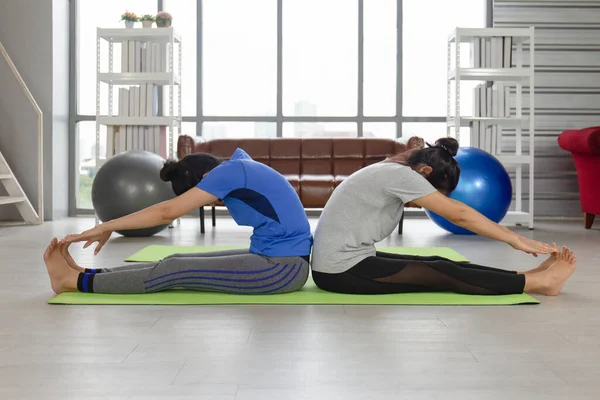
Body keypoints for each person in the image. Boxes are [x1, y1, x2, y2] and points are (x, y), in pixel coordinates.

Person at [311, 137, 576, 296]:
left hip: (347, 261)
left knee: (438, 260)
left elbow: (413, 149)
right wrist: (514, 239)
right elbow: (460, 215)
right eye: (432, 192)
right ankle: (540, 283)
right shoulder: (400, 175)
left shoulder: (396, 167)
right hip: (340, 271)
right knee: (444, 271)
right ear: (424, 171)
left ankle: (523, 275)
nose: (426, 200)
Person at [44, 148, 313, 295]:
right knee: (174, 258)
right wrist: (108, 226)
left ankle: (73, 283)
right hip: (274, 259)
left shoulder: (229, 173)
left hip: (282, 270)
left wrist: (106, 225)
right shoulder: (238, 167)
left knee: (175, 269)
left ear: (205, 177)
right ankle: (84, 274)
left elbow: (166, 212)